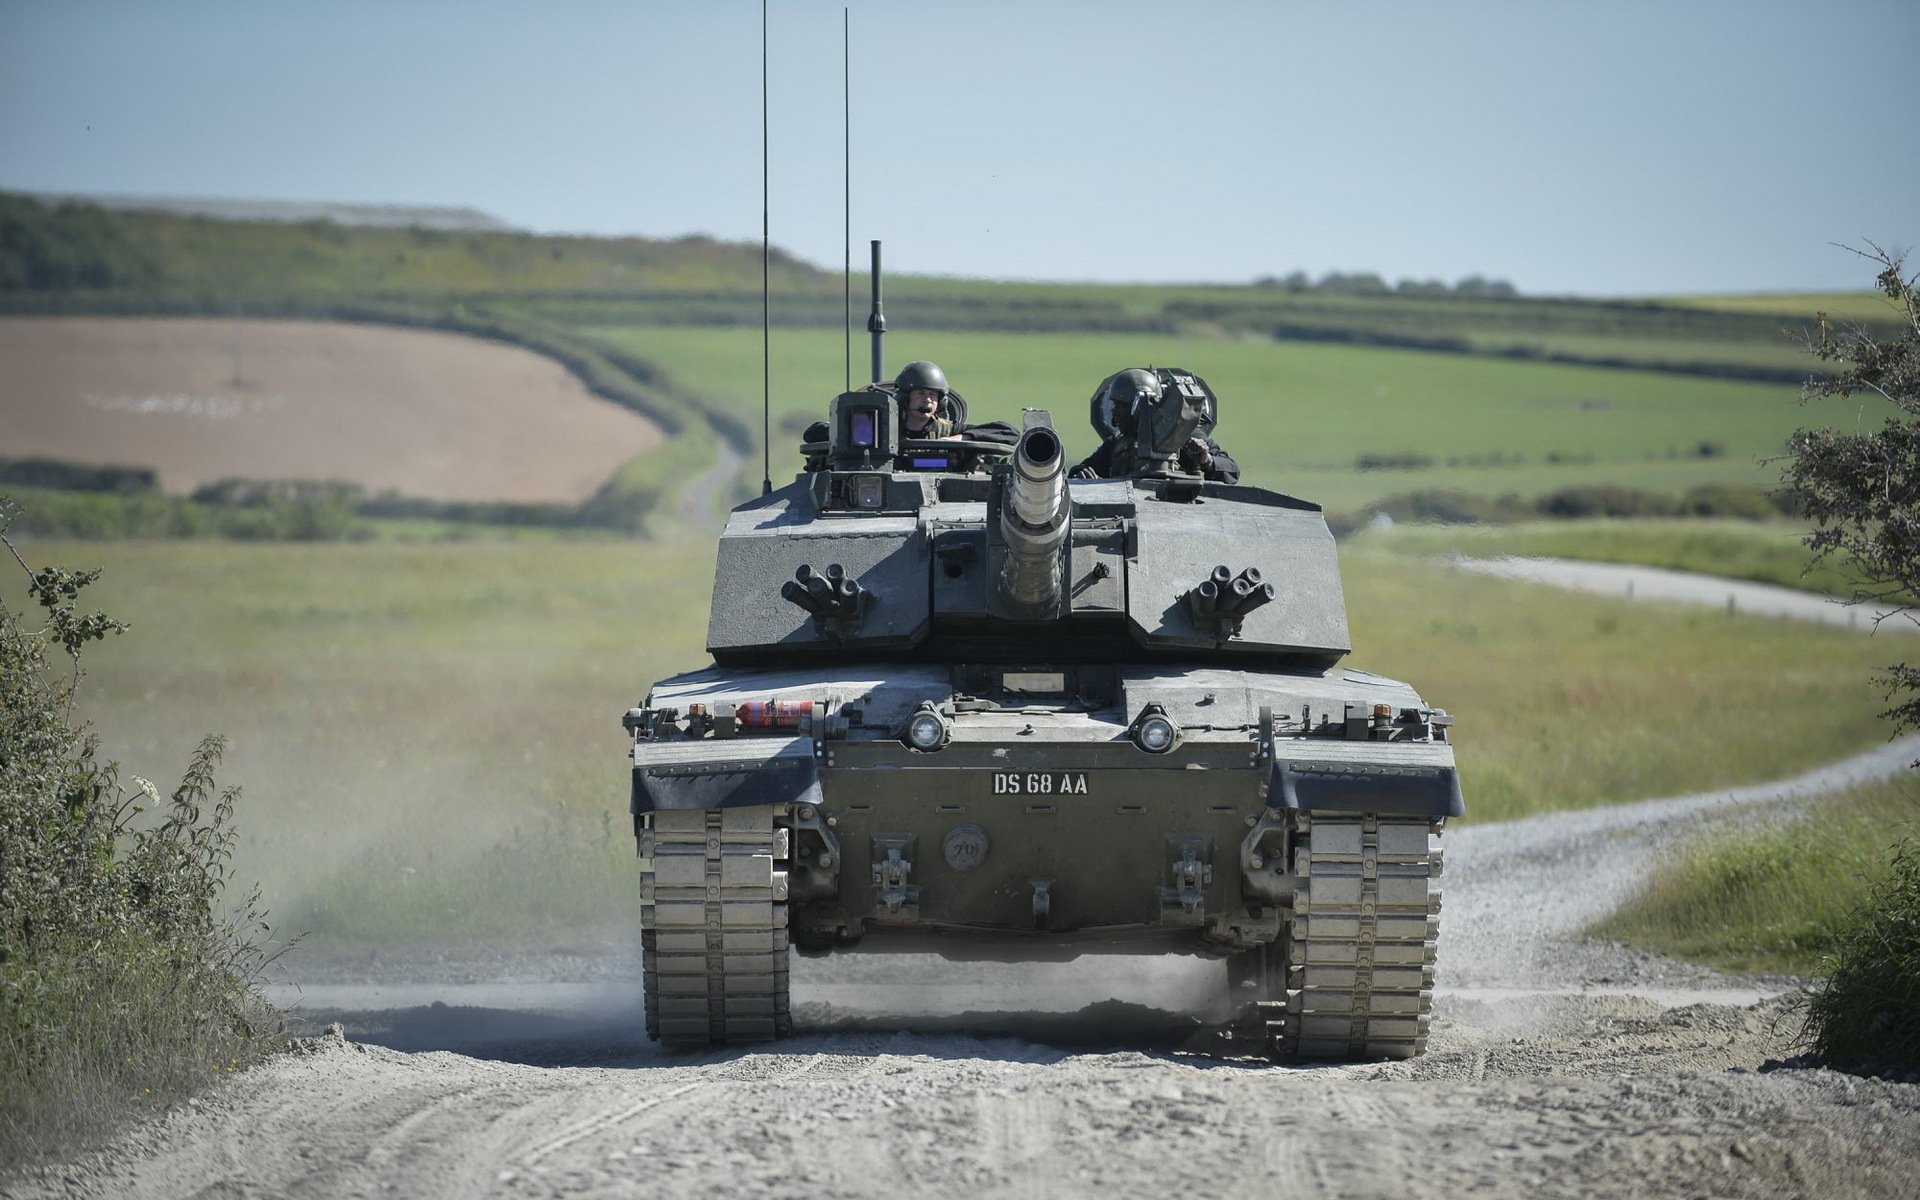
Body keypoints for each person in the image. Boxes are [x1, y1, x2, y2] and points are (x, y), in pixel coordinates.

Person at [1069, 368, 1239, 483]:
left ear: (1139, 406)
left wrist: (1207, 460)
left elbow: (1232, 470)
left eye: (1120, 406)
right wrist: (1083, 474)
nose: (1114, 413)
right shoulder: (1119, 442)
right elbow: (1083, 469)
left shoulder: (1182, 436)